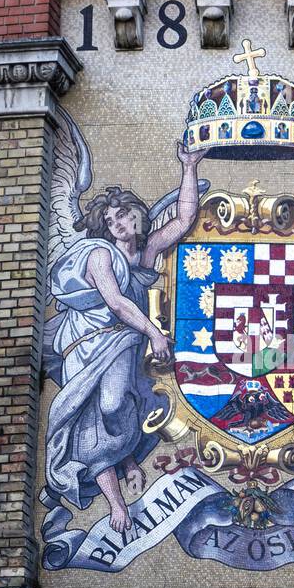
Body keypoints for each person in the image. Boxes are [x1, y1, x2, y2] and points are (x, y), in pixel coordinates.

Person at [43, 141, 207, 533]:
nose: (118, 223)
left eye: (123, 215)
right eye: (110, 219)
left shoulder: (147, 251)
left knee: (116, 406)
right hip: (90, 342)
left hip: (124, 342)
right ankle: (118, 497)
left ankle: (126, 458)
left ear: (136, 215)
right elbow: (116, 303)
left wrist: (189, 166)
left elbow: (184, 219)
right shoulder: (99, 254)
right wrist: (155, 333)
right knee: (99, 412)